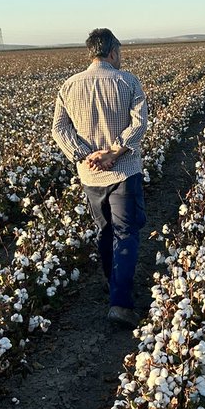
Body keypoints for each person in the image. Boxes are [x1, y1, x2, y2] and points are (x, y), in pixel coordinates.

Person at [51, 28, 148, 328]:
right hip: (123, 171)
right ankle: (120, 303)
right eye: (119, 52)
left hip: (90, 175)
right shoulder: (128, 81)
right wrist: (114, 152)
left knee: (105, 231)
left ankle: (113, 283)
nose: (121, 57)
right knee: (126, 232)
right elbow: (140, 122)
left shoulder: (68, 86)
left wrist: (84, 154)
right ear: (111, 52)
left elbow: (59, 129)